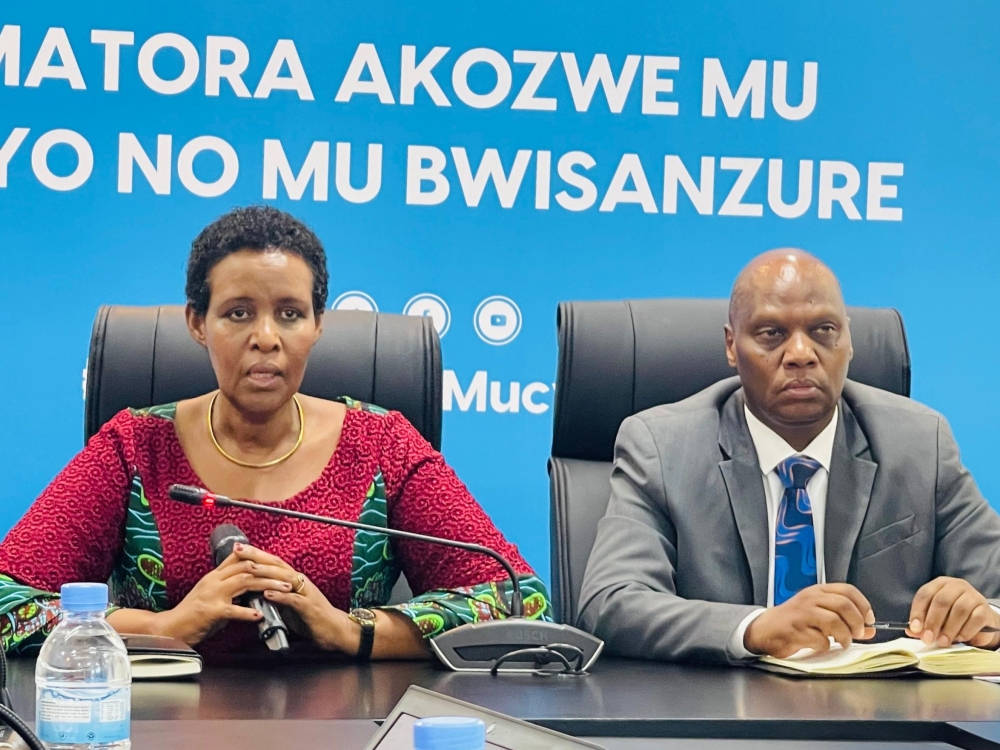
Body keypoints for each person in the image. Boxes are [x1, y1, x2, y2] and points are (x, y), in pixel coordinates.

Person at [0, 206, 549, 659]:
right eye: (238, 313)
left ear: (318, 324)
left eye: (289, 314)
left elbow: (519, 599)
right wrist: (163, 627)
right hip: (159, 730)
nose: (265, 337)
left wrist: (348, 629)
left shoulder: (381, 443)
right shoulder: (135, 446)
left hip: (349, 731)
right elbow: (6, 598)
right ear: (197, 323)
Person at [577, 249, 1000, 664]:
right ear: (731, 346)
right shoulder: (662, 447)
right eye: (771, 334)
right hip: (718, 715)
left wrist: (984, 615)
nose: (801, 353)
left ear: (848, 341)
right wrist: (756, 629)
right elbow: (611, 602)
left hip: (880, 717)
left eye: (823, 330)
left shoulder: (919, 443)